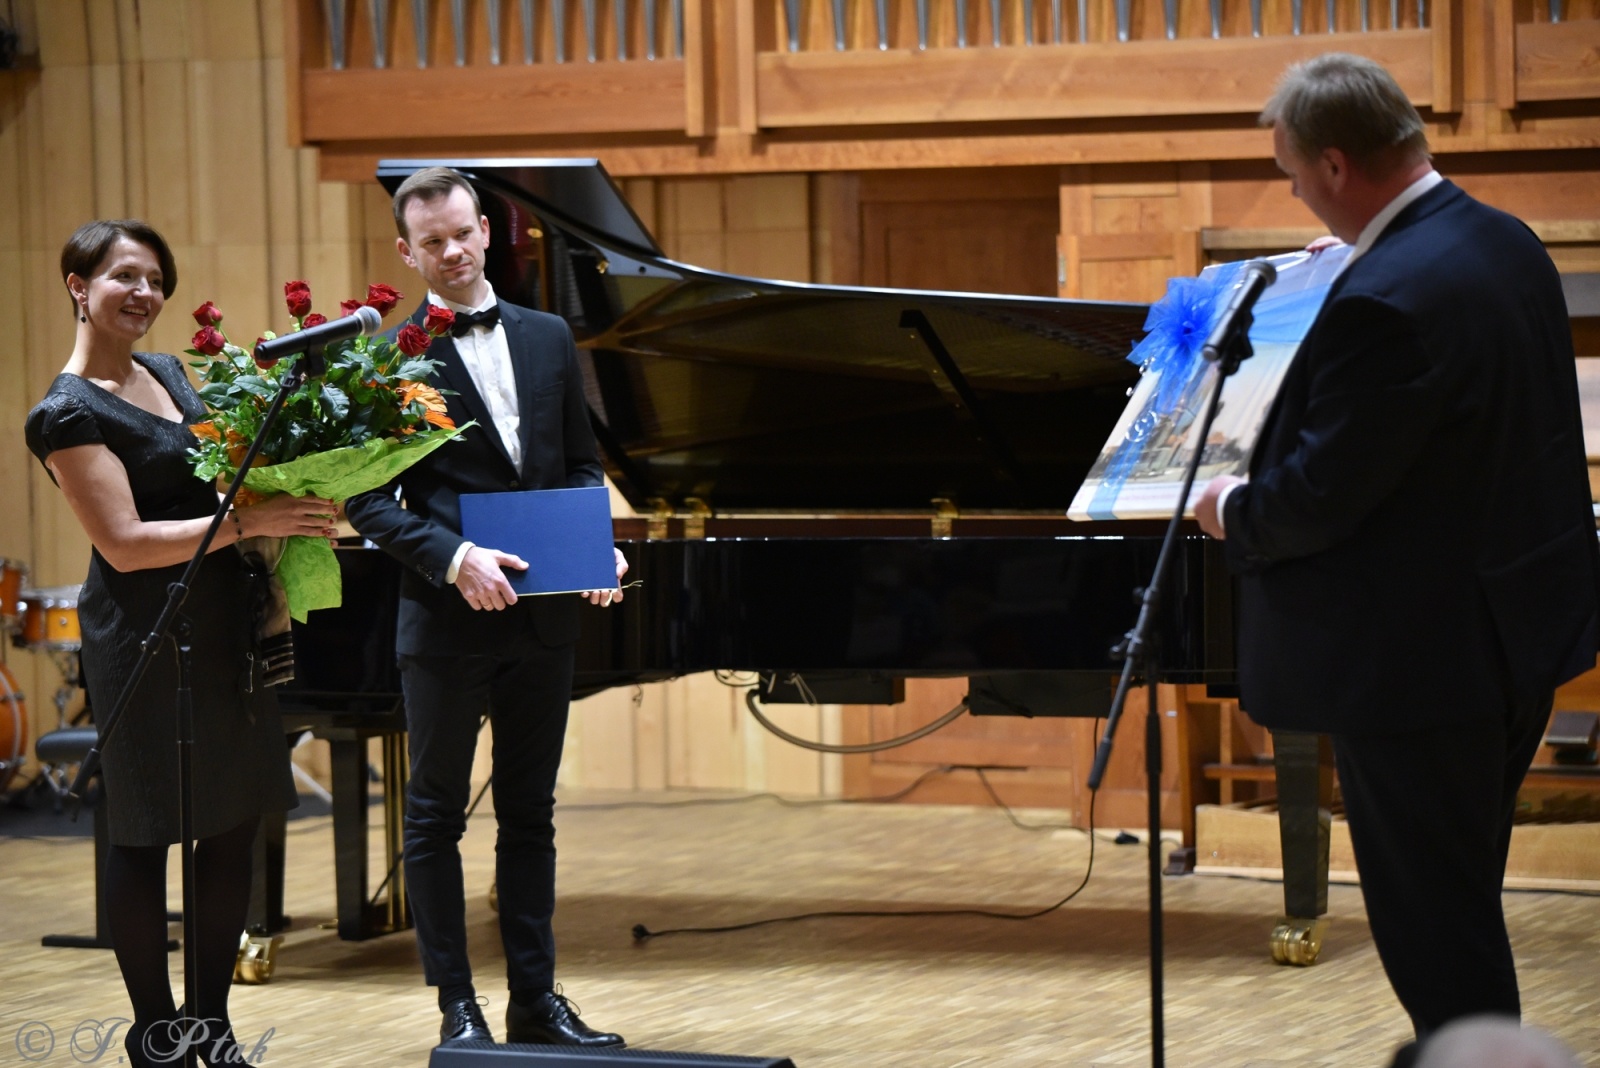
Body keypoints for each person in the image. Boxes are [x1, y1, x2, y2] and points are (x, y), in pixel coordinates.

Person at [1193, 54, 1600, 1055]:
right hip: (1513, 639)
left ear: (1334, 165)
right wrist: (1348, 267)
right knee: (1459, 891)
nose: (1295, 194)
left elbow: (1316, 500)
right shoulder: (1499, 242)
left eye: (1294, 175)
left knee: (1435, 923)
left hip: (1416, 670)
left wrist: (1225, 508)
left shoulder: (1386, 300)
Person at [24, 220, 337, 1067]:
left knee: (230, 826)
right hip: (146, 632)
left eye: (156, 279)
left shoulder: (168, 372)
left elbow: (221, 470)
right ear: (77, 285)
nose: (146, 293)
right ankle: (157, 1034)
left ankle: (214, 1025)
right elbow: (124, 542)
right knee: (145, 829)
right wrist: (253, 520)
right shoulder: (63, 412)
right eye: (125, 275)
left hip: (225, 623)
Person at [344, 167, 628, 1050]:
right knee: (432, 817)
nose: (453, 251)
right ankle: (457, 1009)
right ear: (406, 251)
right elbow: (366, 500)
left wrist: (595, 539)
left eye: (463, 233)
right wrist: (453, 557)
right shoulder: (388, 359)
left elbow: (580, 465)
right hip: (444, 623)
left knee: (530, 815)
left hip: (542, 618)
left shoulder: (548, 336)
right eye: (431, 243)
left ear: (486, 230)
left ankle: (535, 1003)